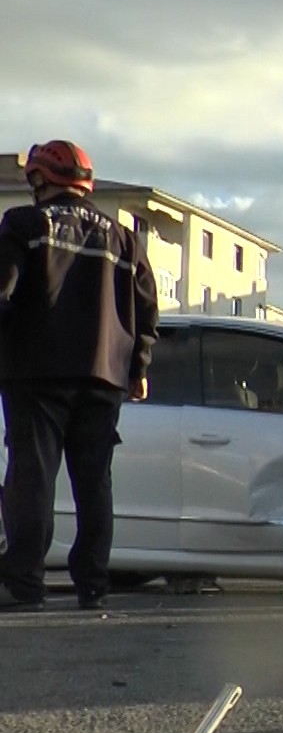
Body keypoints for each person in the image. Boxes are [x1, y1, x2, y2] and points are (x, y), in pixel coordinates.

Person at [0, 140, 159, 612]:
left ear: (40, 180)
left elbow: (2, 293)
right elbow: (148, 308)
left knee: (32, 477)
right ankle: (92, 584)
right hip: (104, 376)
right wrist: (139, 368)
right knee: (94, 483)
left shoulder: (25, 225)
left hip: (37, 372)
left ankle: (24, 585)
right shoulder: (124, 238)